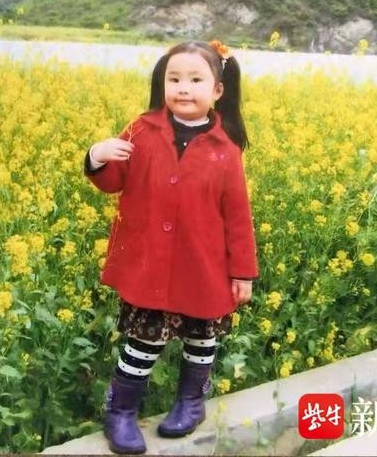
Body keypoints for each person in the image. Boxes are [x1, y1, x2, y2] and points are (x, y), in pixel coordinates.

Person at [83, 40, 259, 454]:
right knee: (142, 342)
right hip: (151, 264)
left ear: (218, 90)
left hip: (204, 266)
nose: (183, 87)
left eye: (195, 80)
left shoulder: (226, 147)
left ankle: (191, 403)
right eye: (174, 78)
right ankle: (120, 412)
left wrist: (242, 272)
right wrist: (97, 156)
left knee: (201, 341)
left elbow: (238, 216)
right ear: (161, 83)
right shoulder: (142, 130)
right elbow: (113, 181)